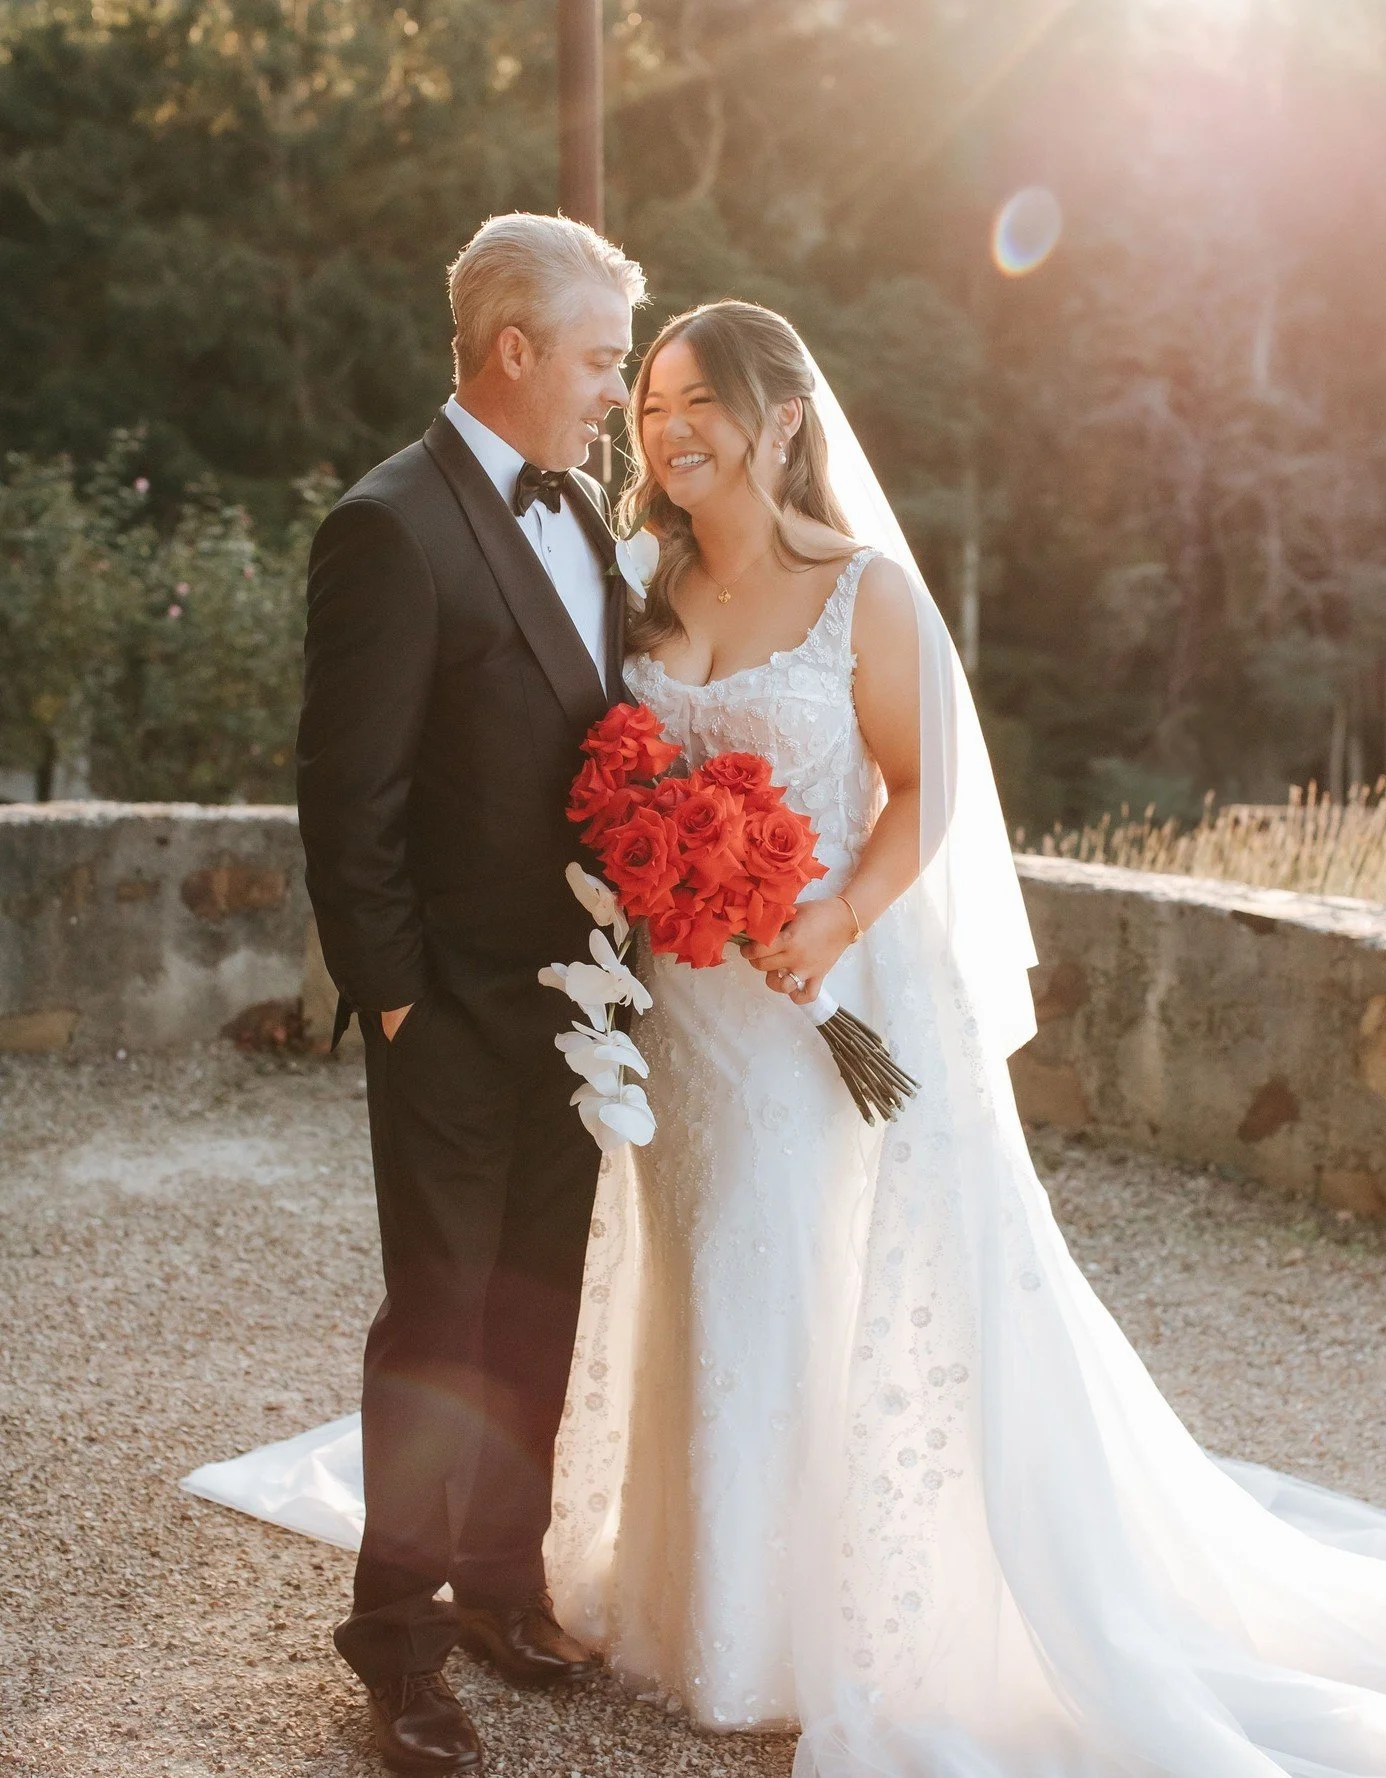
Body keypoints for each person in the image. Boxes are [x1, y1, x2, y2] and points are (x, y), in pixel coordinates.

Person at [195, 296, 1386, 1778]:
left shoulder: (869, 594)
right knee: (687, 1272)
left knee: (798, 1264)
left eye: (690, 399)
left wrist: (833, 915)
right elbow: (555, 753)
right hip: (667, 1010)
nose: (661, 428)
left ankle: (799, 1617)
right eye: (644, 398)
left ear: (782, 418)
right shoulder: (630, 569)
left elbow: (925, 793)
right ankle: (656, 1589)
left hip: (808, 996)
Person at [293, 212, 646, 1774]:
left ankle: (505, 1580)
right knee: (439, 1323)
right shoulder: (391, 525)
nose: (614, 393)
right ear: (514, 352)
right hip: (444, 1011)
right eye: (597, 360)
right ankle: (399, 1644)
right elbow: (345, 796)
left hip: (578, 1005)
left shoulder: (591, 516)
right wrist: (396, 1004)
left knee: (537, 1298)